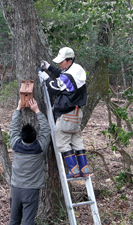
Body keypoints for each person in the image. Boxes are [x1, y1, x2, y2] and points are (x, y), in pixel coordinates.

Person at [38, 47, 89, 178]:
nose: (59, 64)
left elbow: (54, 87)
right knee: (76, 140)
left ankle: (73, 170)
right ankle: (84, 168)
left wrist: (45, 77)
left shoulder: (69, 75)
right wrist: (49, 67)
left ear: (69, 60)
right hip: (76, 112)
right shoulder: (76, 69)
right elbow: (62, 73)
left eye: (62, 61)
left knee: (62, 141)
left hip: (66, 114)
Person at [8, 98, 51, 225]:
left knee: (14, 220)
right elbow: (46, 129)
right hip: (31, 191)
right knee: (28, 221)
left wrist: (18, 108)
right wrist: (37, 110)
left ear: (21, 136)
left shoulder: (15, 144)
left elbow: (13, 128)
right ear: (36, 137)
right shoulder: (40, 147)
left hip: (16, 188)